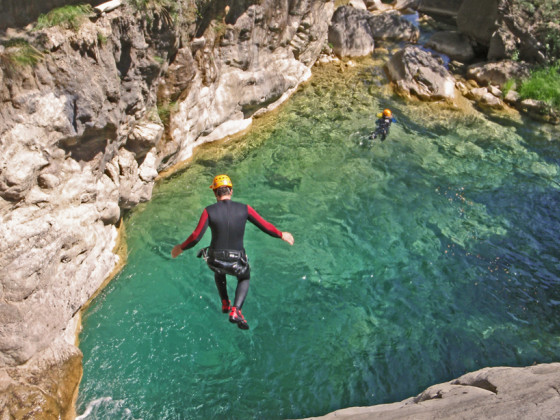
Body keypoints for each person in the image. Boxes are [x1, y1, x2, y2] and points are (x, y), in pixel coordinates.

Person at [171, 174, 294, 330]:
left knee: (218, 269)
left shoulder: (208, 211)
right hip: (237, 262)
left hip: (215, 259)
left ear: (215, 193)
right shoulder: (245, 209)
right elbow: (265, 226)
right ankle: (236, 310)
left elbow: (196, 237)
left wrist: (180, 248)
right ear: (231, 191)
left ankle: (224, 302)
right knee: (244, 277)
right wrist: (281, 234)